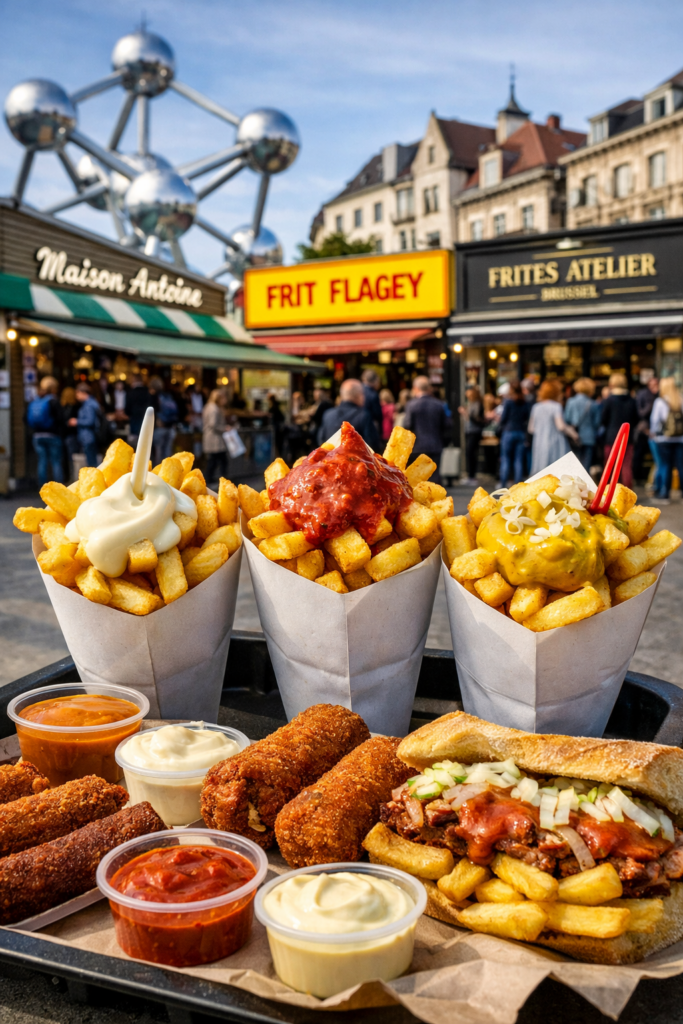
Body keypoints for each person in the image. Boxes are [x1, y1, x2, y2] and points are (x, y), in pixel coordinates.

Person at [403, 377, 447, 484]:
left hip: (416, 447)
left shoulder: (411, 405)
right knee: (434, 478)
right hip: (435, 445)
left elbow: (407, 425)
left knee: (416, 481)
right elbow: (447, 425)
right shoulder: (439, 405)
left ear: (415, 388)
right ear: (429, 388)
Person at [600, 373, 638, 488]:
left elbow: (603, 419)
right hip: (628, 437)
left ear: (612, 384)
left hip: (611, 437)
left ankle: (609, 491)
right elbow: (636, 419)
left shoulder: (609, 400)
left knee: (610, 466)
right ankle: (627, 491)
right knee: (626, 466)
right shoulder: (631, 400)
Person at [528, 379, 572, 476]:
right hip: (554, 442)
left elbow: (531, 429)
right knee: (557, 471)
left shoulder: (536, 407)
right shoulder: (556, 406)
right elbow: (561, 426)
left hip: (539, 442)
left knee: (541, 472)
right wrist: (573, 433)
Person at [320, 379, 380, 450]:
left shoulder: (328, 414)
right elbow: (373, 445)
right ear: (358, 395)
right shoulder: (364, 415)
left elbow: (321, 439)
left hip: (329, 456)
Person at [650, 377, 683, 501]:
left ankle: (664, 493)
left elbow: (655, 420)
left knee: (665, 465)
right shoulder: (680, 399)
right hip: (680, 439)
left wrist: (653, 433)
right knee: (681, 466)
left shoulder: (660, 401)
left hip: (664, 439)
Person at [27, 376, 64, 486]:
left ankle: (42, 487)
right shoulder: (53, 401)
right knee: (56, 461)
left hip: (37, 435)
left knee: (42, 461)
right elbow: (61, 418)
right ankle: (59, 488)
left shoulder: (35, 400)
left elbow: (26, 418)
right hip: (53, 435)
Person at [497, 381, 531, 486]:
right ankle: (518, 486)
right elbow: (526, 418)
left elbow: (503, 418)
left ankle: (503, 484)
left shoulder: (508, 402)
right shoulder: (525, 402)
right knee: (518, 460)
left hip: (508, 432)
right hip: (520, 432)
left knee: (506, 459)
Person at [564, 378, 600, 473]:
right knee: (585, 465)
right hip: (589, 437)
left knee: (574, 464)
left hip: (574, 436)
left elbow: (567, 419)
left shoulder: (571, 401)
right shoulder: (593, 404)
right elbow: (597, 423)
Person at [68, 383, 102, 467]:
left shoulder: (88, 405)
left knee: (91, 463)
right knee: (92, 461)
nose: (77, 397)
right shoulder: (91, 403)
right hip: (89, 436)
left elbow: (90, 421)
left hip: (89, 437)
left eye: (78, 393)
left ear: (83, 392)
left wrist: (77, 421)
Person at [458, 385, 485, 486]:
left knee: (471, 453)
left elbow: (475, 418)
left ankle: (472, 476)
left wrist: (465, 412)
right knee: (469, 453)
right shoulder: (471, 403)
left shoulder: (477, 403)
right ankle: (470, 475)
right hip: (469, 431)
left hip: (474, 431)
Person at [634, 375, 659, 484]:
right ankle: (638, 477)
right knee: (639, 454)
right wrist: (651, 403)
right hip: (644, 430)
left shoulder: (660, 394)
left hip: (656, 432)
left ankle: (653, 481)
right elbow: (640, 413)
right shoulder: (643, 394)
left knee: (657, 458)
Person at [150, 376, 179, 464]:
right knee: (167, 451)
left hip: (160, 427)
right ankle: (167, 469)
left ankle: (159, 470)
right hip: (170, 427)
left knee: (158, 452)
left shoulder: (154, 397)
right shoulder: (168, 395)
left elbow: (152, 411)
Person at [202, 389, 228, 484]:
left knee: (213, 461)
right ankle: (218, 480)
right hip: (215, 440)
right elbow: (213, 424)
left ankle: (210, 479)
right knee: (217, 461)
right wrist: (225, 428)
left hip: (212, 439)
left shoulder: (209, 406)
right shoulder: (214, 409)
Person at [126, 376, 156, 448]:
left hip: (134, 423)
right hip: (147, 424)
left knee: (134, 448)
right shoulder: (148, 392)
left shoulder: (131, 393)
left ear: (134, 380)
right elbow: (154, 407)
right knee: (146, 446)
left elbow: (127, 410)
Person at [361, 369, 383, 440]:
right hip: (370, 428)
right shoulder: (373, 394)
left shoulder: (358, 390)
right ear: (375, 381)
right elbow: (378, 415)